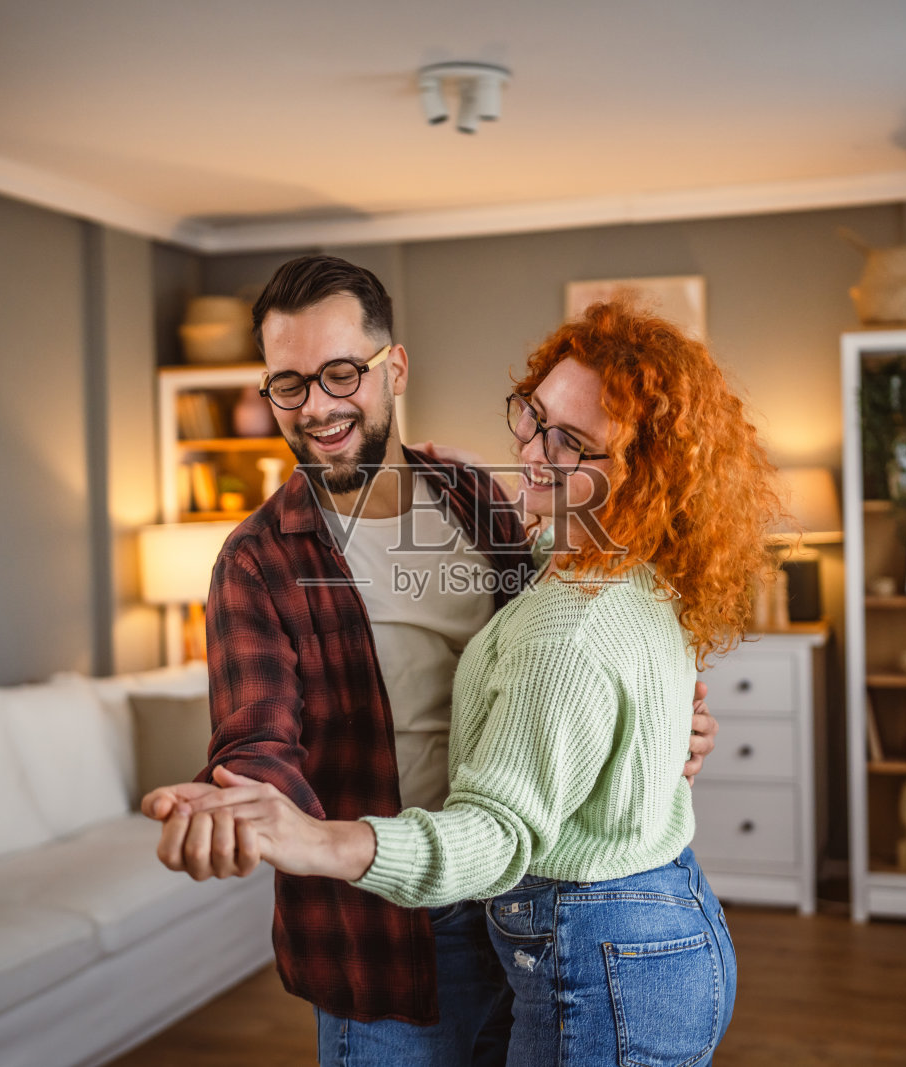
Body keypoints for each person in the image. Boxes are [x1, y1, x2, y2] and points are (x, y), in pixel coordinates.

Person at [141, 256, 720, 1067]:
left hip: (525, 909)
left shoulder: (474, 494)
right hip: (390, 939)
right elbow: (256, 741)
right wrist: (241, 810)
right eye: (289, 383)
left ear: (395, 367)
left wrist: (657, 724)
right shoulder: (256, 562)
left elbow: (567, 646)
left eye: (342, 373)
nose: (318, 406)